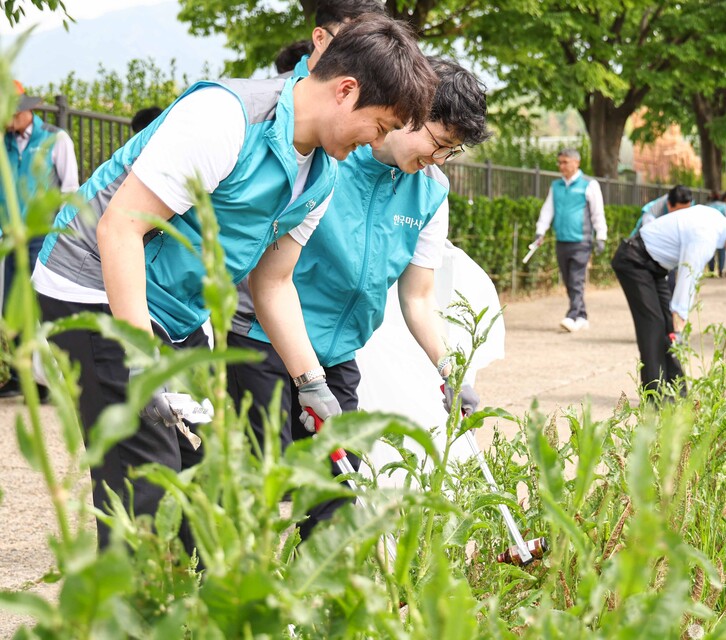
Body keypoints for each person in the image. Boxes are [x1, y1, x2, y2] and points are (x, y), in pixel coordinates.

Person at [31, 15, 438, 549]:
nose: (374, 143)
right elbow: (119, 228)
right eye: (380, 126)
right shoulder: (226, 118)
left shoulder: (321, 177)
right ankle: (132, 597)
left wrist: (310, 383)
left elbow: (274, 284)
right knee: (148, 476)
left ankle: (194, 596)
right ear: (346, 90)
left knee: (211, 482)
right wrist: (143, 364)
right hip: (93, 285)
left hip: (176, 309)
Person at [227, 57, 490, 537]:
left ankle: (320, 581)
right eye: (437, 143)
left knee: (338, 494)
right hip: (263, 338)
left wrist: (451, 370)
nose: (438, 159)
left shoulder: (432, 191)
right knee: (260, 484)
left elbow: (418, 298)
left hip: (337, 353)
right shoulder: (334, 156)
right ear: (409, 111)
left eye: (451, 151)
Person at [611, 205, 726, 397]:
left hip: (654, 267)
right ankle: (654, 398)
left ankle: (678, 394)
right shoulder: (706, 236)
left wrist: (676, 323)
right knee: (653, 326)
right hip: (634, 260)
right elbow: (688, 278)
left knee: (668, 327)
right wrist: (680, 319)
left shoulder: (715, 221)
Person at [0, 80, 79, 399]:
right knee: (11, 307)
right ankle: (21, 377)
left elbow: (70, 189)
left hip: (42, 235)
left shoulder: (55, 139)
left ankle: (45, 379)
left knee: (40, 305)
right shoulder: (3, 143)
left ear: (25, 110)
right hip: (11, 237)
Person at [531, 149, 607, 332]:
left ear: (576, 163)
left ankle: (572, 316)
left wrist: (601, 236)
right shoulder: (556, 186)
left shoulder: (589, 184)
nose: (561, 166)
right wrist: (540, 231)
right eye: (559, 162)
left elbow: (598, 213)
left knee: (576, 279)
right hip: (561, 240)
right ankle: (582, 316)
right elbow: (548, 210)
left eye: (565, 162)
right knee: (568, 280)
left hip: (581, 240)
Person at [281, 0, 387, 79]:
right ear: (320, 38)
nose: (359, 58)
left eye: (368, 48)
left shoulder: (372, 98)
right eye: (351, 44)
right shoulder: (275, 96)